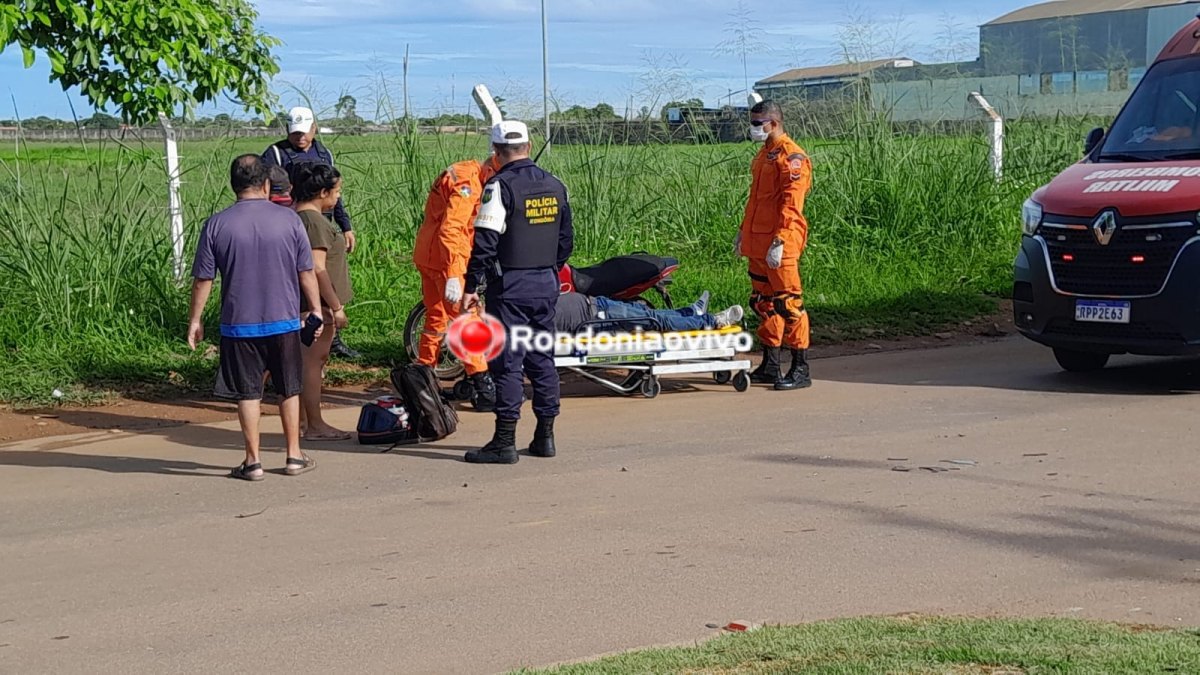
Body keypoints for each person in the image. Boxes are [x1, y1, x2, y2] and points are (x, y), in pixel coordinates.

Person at [186, 154, 322, 481]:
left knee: (248, 392)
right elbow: (307, 272)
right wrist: (315, 310)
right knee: (288, 388)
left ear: (233, 185)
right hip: (285, 322)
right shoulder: (289, 221)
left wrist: (195, 319)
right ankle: (293, 455)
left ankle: (253, 461)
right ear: (265, 184)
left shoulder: (216, 224)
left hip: (238, 325)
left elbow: (204, 279)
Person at [460, 120, 574, 465]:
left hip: (510, 289)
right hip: (545, 287)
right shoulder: (556, 185)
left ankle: (504, 442)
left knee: (508, 363)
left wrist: (471, 285)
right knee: (542, 360)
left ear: (495, 152)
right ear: (529, 144)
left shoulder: (499, 186)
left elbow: (486, 241)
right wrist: (547, 270)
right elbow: (566, 241)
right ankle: (545, 437)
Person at [263, 106, 360, 360]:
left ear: (314, 128)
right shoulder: (275, 153)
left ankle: (331, 339)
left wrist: (345, 225)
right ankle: (295, 348)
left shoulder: (323, 153)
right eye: (295, 132)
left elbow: (334, 193)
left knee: (328, 276)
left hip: (322, 223)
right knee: (307, 281)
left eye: (304, 132)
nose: (299, 137)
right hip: (292, 223)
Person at [413, 154, 503, 412]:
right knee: (467, 320)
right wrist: (453, 272)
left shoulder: (465, 171)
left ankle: (424, 376)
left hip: (429, 255)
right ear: (491, 169)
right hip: (446, 261)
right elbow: (452, 228)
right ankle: (484, 386)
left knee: (436, 318)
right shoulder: (468, 182)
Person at [735, 99, 814, 391]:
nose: (754, 129)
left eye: (758, 124)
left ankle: (800, 367)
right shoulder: (763, 155)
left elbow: (791, 206)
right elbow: (756, 200)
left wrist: (780, 240)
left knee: (788, 303)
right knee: (762, 303)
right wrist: (743, 232)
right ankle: (770, 363)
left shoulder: (792, 158)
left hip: (782, 242)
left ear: (774, 123)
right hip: (757, 242)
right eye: (752, 123)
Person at [291, 163, 354, 441]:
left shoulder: (298, 216)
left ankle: (304, 421)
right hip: (318, 305)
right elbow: (318, 268)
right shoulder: (314, 222)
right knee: (314, 362)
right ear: (322, 191)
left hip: (308, 304)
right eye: (337, 190)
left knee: (308, 360)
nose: (338, 196)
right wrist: (335, 307)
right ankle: (314, 424)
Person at [553, 291, 744, 334]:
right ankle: (713, 320)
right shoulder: (528, 325)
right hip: (598, 317)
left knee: (648, 312)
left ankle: (690, 312)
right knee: (655, 320)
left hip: (596, 303)